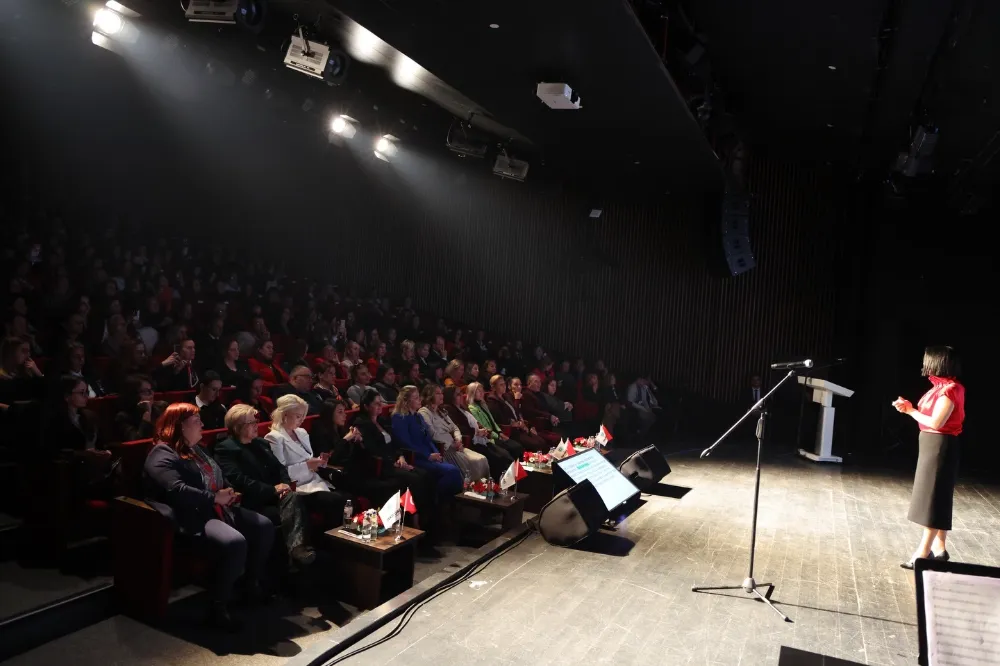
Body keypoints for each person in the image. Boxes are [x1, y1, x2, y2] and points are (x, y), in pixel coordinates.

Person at [142, 403, 275, 631]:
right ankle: (218, 607)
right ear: (179, 426)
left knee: (263, 526)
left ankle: (250, 584)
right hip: (191, 514)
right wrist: (214, 497)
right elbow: (177, 490)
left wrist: (229, 490)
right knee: (234, 542)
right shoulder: (162, 452)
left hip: (215, 507)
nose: (202, 425)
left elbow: (217, 475)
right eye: (196, 421)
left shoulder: (197, 448)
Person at [214, 404, 316, 569]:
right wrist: (273, 490)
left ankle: (296, 555)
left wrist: (284, 485)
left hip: (277, 495)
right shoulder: (226, 448)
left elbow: (280, 468)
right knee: (292, 506)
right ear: (238, 427)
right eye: (251, 423)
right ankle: (296, 553)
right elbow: (239, 480)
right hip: (253, 499)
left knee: (295, 499)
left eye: (256, 421)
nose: (257, 425)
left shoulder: (260, 443)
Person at [893, 346, 965, 570]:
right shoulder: (939, 387)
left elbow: (936, 422)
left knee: (933, 498)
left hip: (940, 446)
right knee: (937, 496)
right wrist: (909, 408)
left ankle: (922, 553)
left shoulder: (950, 389)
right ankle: (940, 548)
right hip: (931, 445)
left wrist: (910, 411)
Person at [348, 389, 440, 556]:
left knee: (426, 476)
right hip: (381, 468)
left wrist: (401, 457)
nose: (380, 406)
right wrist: (393, 462)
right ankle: (418, 529)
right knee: (415, 480)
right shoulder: (361, 424)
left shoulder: (382, 421)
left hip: (394, 462)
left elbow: (395, 444)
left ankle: (428, 528)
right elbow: (372, 451)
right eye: (376, 404)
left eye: (380, 403)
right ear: (366, 406)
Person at [264, 394, 352, 527]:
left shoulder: (301, 432)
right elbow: (280, 473)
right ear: (285, 415)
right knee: (335, 500)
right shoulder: (274, 438)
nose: (302, 420)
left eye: (303, 416)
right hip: (298, 488)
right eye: (298, 416)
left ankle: (343, 533)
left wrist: (320, 461)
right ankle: (329, 536)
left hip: (314, 480)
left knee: (348, 496)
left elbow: (308, 459)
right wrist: (307, 465)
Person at [391, 386, 463, 501]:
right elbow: (405, 443)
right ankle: (436, 500)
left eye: (419, 397)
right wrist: (428, 455)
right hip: (416, 457)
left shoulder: (418, 416)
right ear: (406, 401)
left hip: (429, 455)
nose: (420, 400)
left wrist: (436, 453)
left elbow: (428, 439)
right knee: (452, 471)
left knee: (454, 472)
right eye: (416, 398)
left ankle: (446, 502)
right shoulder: (399, 418)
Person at [418, 384, 490, 481]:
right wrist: (451, 444)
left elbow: (455, 428)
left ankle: (483, 487)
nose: (441, 395)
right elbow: (432, 434)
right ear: (429, 396)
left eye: (441, 393)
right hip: (445, 449)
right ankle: (471, 487)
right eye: (437, 393)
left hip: (455, 446)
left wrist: (458, 440)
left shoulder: (441, 411)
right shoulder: (424, 412)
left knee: (482, 459)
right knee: (475, 462)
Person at [443, 385, 512, 479]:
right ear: (450, 397)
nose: (461, 396)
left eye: (461, 393)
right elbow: (459, 427)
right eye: (458, 394)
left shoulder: (463, 408)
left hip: (482, 438)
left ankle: (510, 481)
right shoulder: (449, 409)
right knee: (499, 458)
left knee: (506, 454)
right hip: (472, 442)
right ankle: (498, 482)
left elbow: (476, 422)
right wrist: (476, 431)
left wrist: (482, 429)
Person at [484, 375, 547, 452]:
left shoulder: (506, 396)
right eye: (501, 385)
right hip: (510, 431)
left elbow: (516, 411)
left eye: (504, 384)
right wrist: (515, 424)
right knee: (536, 444)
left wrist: (523, 423)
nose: (504, 386)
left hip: (519, 427)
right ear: (494, 387)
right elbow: (499, 419)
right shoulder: (492, 401)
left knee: (542, 441)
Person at [467, 382, 525, 460]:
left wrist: (500, 433)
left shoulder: (483, 404)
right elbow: (483, 426)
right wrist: (498, 436)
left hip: (496, 434)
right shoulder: (472, 408)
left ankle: (520, 466)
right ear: (472, 393)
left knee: (518, 447)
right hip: (489, 438)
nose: (481, 393)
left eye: (482, 391)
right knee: (510, 452)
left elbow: (493, 422)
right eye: (478, 391)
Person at [113, 374, 156, 442]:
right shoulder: (123, 417)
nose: (151, 394)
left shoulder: (160, 407)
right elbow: (137, 441)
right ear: (133, 395)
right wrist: (147, 415)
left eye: (151, 390)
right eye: (146, 391)